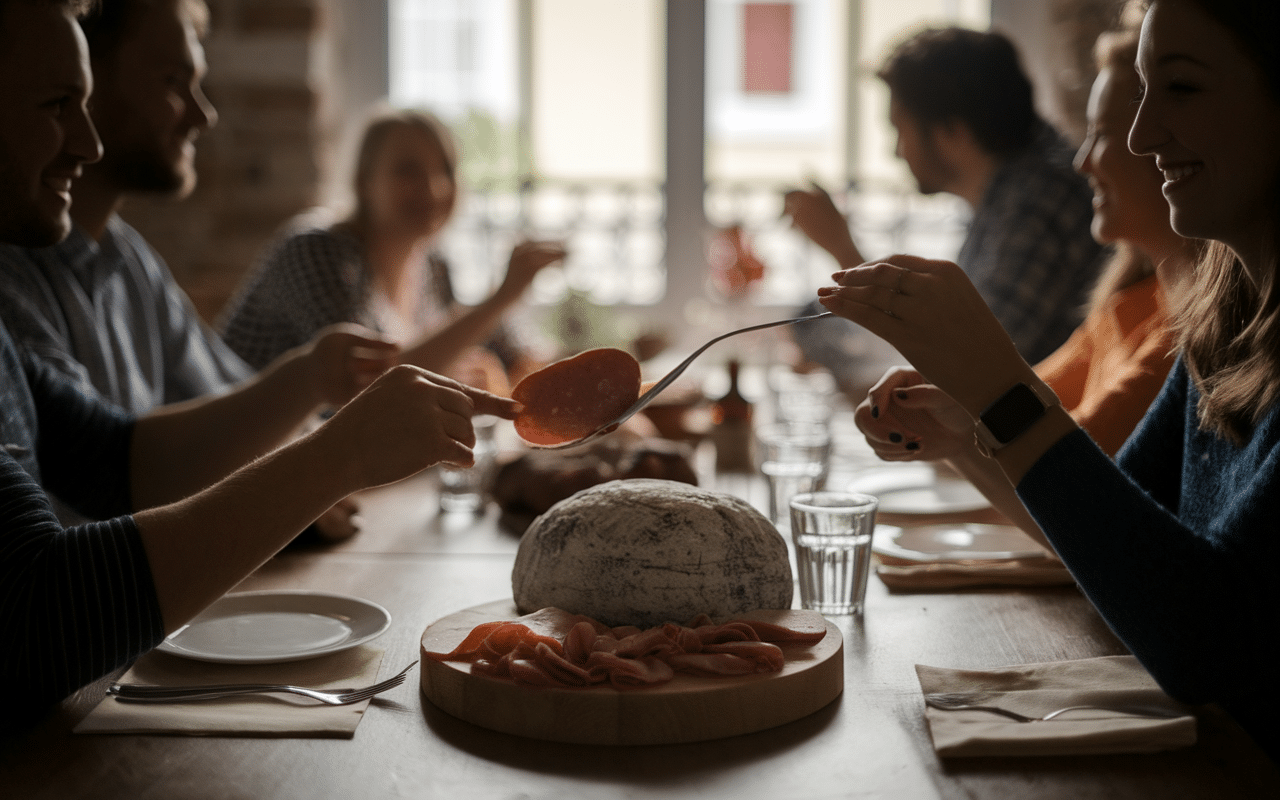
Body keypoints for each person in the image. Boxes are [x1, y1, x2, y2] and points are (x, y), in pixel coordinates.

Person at [0, 0, 516, 726]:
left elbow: (121, 462)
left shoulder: (110, 267)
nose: (86, 143)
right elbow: (33, 616)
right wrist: (338, 454)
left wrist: (311, 380)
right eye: (58, 104)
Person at [817, 0, 1280, 760]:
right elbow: (1110, 533)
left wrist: (998, 397)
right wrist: (969, 430)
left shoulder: (1170, 310)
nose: (1141, 136)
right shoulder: (1220, 323)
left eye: (1183, 88)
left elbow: (1206, 645)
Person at [0, 0, 384, 539]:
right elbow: (83, 529)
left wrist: (298, 460)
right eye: (174, 81)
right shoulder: (13, 280)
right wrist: (302, 446)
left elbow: (133, 460)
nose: (204, 115)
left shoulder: (127, 258)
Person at [855, 13, 1198, 537]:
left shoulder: (1180, 326)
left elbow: (1068, 474)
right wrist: (954, 427)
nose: (1080, 163)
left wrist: (961, 420)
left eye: (1102, 135)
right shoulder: (1125, 304)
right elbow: (1026, 428)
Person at [786, 27, 1106, 364]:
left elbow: (970, 363)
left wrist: (842, 247)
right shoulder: (1011, 193)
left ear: (952, 130)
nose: (897, 152)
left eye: (900, 130)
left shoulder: (1037, 202)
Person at [218, 108, 565, 392]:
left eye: (444, 170)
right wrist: (502, 296)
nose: (434, 187)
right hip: (238, 445)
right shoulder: (316, 251)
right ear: (364, 182)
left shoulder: (432, 264)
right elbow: (364, 388)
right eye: (408, 170)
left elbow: (497, 351)